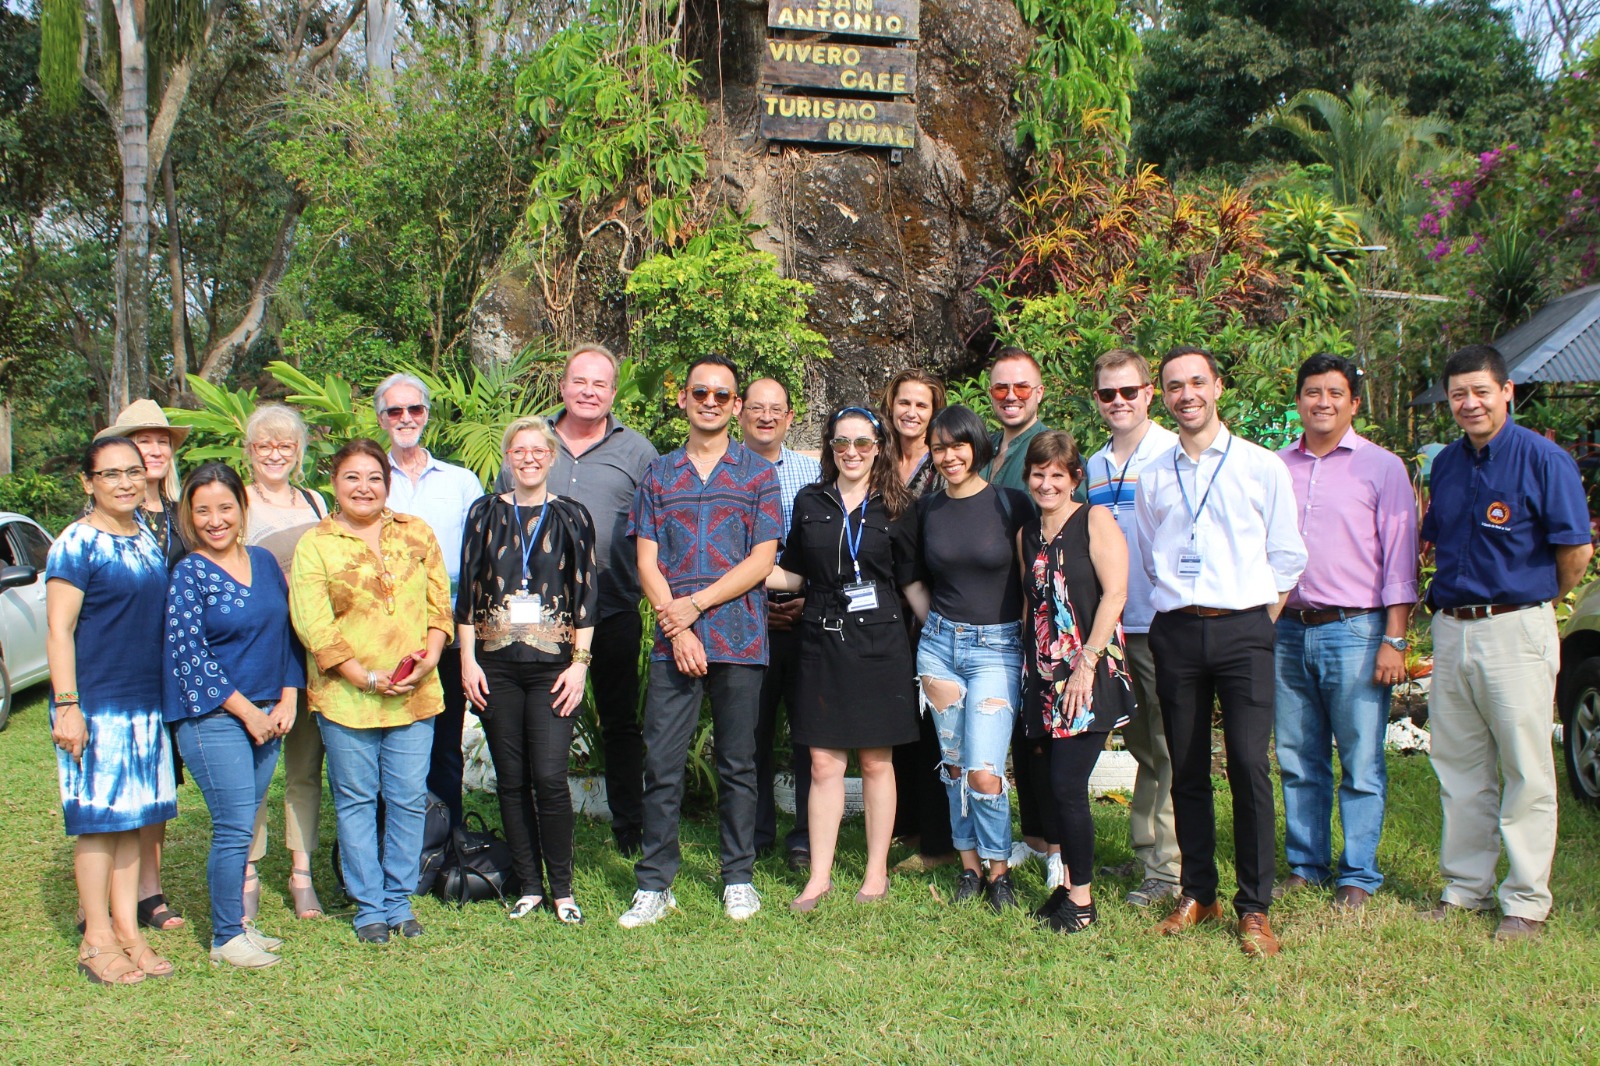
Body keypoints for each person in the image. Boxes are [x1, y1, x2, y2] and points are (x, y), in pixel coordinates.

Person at [1136, 345, 1307, 957]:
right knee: (1185, 765)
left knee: (1247, 765)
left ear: (1217, 388)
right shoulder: (1154, 473)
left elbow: (1287, 553)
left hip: (1243, 629)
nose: (1187, 395)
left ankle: (1254, 907)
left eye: (1197, 383)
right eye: (1175, 385)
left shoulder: (1261, 466)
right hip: (1178, 629)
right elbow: (1154, 548)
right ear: (1165, 395)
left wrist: (1259, 619)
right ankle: (1197, 892)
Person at [1419, 344, 1592, 941]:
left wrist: (1535, 604)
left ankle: (1524, 901)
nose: (1469, 404)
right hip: (1453, 628)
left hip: (1515, 627)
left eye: (1480, 392)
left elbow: (1575, 553)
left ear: (1507, 391)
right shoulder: (1446, 465)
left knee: (1526, 768)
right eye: (1459, 394)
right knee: (1460, 767)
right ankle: (1464, 888)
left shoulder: (1544, 460)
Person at [620, 355, 783, 928]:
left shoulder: (759, 476)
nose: (710, 402)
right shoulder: (659, 475)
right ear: (684, 400)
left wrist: (697, 605)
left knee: (739, 764)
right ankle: (655, 885)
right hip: (674, 643)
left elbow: (762, 560)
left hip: (739, 637)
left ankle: (737, 877)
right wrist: (681, 624)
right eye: (700, 393)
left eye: (721, 395)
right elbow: (646, 560)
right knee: (662, 763)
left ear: (736, 406)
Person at [493, 345, 657, 856]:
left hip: (611, 609)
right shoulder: (532, 441)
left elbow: (655, 527)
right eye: (579, 382)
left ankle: (630, 828)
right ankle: (538, 829)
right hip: (536, 619)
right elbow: (501, 524)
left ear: (613, 392)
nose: (589, 392)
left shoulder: (638, 452)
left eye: (600, 385)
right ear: (563, 386)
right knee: (537, 725)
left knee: (619, 722)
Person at [290, 438, 453, 944]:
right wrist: (363, 676)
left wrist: (430, 656)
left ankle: (399, 900)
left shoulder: (416, 532)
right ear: (334, 483)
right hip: (347, 695)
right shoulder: (316, 543)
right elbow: (312, 623)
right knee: (357, 799)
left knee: (405, 798)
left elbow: (439, 603)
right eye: (352, 477)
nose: (364, 487)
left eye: (374, 478)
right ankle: (368, 906)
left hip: (414, 692)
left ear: (388, 483)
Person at [1274, 354, 1419, 911]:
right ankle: (1306, 865)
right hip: (1287, 629)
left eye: (1335, 393)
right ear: (1299, 400)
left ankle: (1358, 873)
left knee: (1359, 758)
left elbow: (1400, 560)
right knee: (1296, 755)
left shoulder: (1381, 468)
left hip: (1355, 630)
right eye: (1312, 392)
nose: (1323, 403)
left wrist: (1395, 637)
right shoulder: (1276, 467)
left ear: (1354, 402)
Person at [767, 407, 923, 910]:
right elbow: (791, 573)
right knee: (822, 763)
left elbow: (911, 582)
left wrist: (945, 634)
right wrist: (734, 570)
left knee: (877, 762)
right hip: (821, 637)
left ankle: (875, 874)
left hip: (880, 644)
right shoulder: (810, 500)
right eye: (840, 444)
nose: (851, 452)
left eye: (861, 442)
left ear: (878, 446)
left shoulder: (898, 505)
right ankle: (819, 876)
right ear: (830, 450)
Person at [46, 437, 179, 985]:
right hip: (96, 704)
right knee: (99, 824)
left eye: (133, 471)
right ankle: (95, 937)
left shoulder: (145, 536)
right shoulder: (76, 543)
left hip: (145, 702)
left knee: (135, 820)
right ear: (88, 482)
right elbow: (59, 629)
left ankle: (128, 930)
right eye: (110, 474)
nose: (125, 482)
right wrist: (68, 706)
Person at [164, 463, 304, 967]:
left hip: (270, 712)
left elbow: (288, 634)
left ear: (242, 509)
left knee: (244, 819)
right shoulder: (189, 573)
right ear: (189, 516)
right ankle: (225, 936)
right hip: (213, 717)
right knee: (232, 826)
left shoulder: (265, 562)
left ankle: (240, 924)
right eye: (202, 510)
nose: (215, 520)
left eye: (225, 507)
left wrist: (289, 698)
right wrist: (249, 714)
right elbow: (190, 656)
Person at [460, 418, 598, 924]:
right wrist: (468, 660)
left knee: (550, 777)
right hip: (495, 665)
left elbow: (586, 597)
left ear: (552, 456)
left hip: (552, 668)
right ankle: (529, 884)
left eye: (539, 450)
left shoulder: (571, 517)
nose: (529, 458)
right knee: (512, 779)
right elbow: (468, 595)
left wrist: (580, 666)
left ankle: (562, 888)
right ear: (508, 456)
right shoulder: (484, 513)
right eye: (520, 450)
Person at [914, 405, 1032, 912]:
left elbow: (1034, 579)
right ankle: (969, 869)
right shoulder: (928, 510)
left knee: (985, 771)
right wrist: (934, 628)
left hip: (997, 650)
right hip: (940, 648)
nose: (948, 456)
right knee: (956, 767)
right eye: (938, 448)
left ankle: (999, 870)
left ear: (977, 447)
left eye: (957, 445)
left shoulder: (1012, 505)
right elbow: (915, 578)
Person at [1020, 431, 1136, 933]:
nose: (1046, 483)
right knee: (1050, 786)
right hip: (1043, 675)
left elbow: (1115, 594)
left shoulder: (1094, 519)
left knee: (1068, 785)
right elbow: (1032, 605)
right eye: (1038, 474)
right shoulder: (1027, 532)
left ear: (1074, 479)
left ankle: (1083, 903)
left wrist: (1086, 662)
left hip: (1087, 674)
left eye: (1057, 475)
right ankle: (1067, 887)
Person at [1082, 348, 1182, 908]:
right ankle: (1149, 849)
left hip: (1160, 621)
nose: (1118, 402)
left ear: (1149, 393)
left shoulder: (1172, 453)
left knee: (1167, 744)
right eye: (1107, 393)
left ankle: (1167, 871)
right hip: (1113, 625)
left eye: (1129, 391)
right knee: (1143, 744)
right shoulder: (1095, 466)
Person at [94, 399, 189, 933]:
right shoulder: (107, 522)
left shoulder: (183, 512)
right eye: (142, 441)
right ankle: (106, 893)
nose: (153, 450)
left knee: (159, 782)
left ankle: (148, 891)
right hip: (119, 667)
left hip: (170, 669)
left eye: (161, 441)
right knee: (111, 782)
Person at [376, 373, 482, 829]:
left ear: (426, 415)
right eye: (395, 411)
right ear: (382, 418)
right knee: (387, 737)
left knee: (444, 738)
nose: (405, 418)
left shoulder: (460, 481)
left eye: (414, 409)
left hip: (448, 630)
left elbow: (481, 556)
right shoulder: (368, 477)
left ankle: (445, 838)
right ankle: (389, 836)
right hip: (385, 632)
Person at [241, 403, 330, 921]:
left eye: (285, 446)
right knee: (253, 769)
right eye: (264, 446)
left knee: (304, 768)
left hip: (310, 652)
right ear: (249, 452)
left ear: (299, 453)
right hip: (256, 652)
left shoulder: (316, 501)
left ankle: (301, 874)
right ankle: (248, 873)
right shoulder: (238, 502)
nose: (275, 454)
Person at [740, 377, 823, 871]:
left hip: (806, 617)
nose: (766, 417)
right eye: (756, 408)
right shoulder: (724, 472)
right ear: (741, 414)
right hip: (744, 619)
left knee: (810, 734)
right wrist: (753, 601)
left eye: (777, 409)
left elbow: (829, 548)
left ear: (791, 417)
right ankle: (754, 832)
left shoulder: (813, 474)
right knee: (749, 735)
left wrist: (807, 597)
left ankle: (806, 838)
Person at [980, 347, 1054, 877]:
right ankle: (1032, 837)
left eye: (1021, 388)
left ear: (1039, 392)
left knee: (1044, 738)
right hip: (992, 614)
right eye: (1002, 388)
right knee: (1022, 734)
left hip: (1036, 614)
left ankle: (1056, 849)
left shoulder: (1043, 447)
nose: (1011, 397)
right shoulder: (989, 453)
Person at [880, 370, 955, 874]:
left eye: (921, 405)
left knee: (932, 721)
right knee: (896, 715)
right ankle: (906, 823)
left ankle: (939, 840)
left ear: (934, 413)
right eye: (903, 402)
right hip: (880, 604)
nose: (911, 412)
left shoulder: (944, 463)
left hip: (929, 599)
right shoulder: (879, 457)